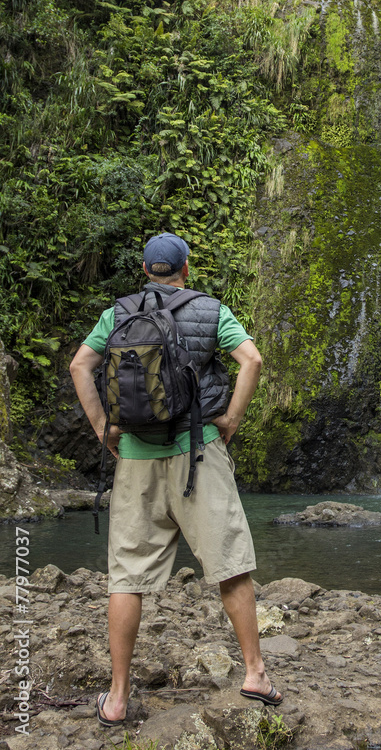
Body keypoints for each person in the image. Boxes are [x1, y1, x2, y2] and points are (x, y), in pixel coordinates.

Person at [69, 232, 282, 727]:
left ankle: (118, 698)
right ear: (185, 268)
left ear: (145, 270)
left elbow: (81, 365)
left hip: (136, 460)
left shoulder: (118, 314)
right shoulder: (210, 310)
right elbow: (251, 359)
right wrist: (230, 418)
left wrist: (105, 429)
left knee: (126, 576)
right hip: (198, 455)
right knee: (230, 564)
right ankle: (255, 674)